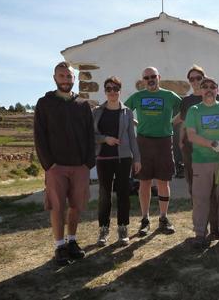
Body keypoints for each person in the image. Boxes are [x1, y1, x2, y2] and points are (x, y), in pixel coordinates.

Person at [34, 61, 95, 265]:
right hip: (56, 167)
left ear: (74, 79)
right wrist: (48, 164)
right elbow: (39, 136)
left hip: (80, 166)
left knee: (76, 206)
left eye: (69, 76)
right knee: (58, 207)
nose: (66, 80)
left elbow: (89, 135)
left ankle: (72, 241)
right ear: (55, 78)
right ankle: (59, 246)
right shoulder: (45, 103)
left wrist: (88, 162)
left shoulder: (82, 105)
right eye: (62, 76)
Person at [125, 67, 181, 235]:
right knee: (145, 181)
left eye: (153, 76)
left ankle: (163, 218)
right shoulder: (137, 96)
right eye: (146, 77)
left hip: (164, 142)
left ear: (159, 77)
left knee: (164, 181)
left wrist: (172, 123)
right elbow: (124, 111)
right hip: (143, 142)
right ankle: (145, 219)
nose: (150, 79)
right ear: (143, 80)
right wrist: (136, 124)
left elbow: (185, 110)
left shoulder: (169, 96)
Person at [185, 77, 219, 247]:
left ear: (217, 90)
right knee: (201, 199)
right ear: (200, 90)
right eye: (205, 87)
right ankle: (200, 234)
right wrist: (213, 144)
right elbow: (191, 135)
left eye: (212, 87)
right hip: (201, 162)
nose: (209, 89)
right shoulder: (194, 110)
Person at [93, 76, 141, 246]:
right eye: (108, 88)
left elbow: (132, 138)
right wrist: (105, 139)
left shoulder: (127, 112)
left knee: (123, 195)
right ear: (105, 91)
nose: (112, 92)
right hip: (104, 158)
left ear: (120, 91)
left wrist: (137, 158)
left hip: (123, 159)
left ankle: (123, 228)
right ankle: (103, 230)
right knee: (104, 195)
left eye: (115, 88)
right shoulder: (97, 112)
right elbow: (92, 135)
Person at [175, 65, 219, 238]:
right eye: (192, 79)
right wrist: (180, 139)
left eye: (198, 78)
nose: (195, 81)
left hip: (211, 149)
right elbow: (184, 122)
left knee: (214, 188)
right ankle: (201, 228)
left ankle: (216, 228)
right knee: (195, 188)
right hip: (191, 149)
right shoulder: (186, 101)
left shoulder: (215, 96)